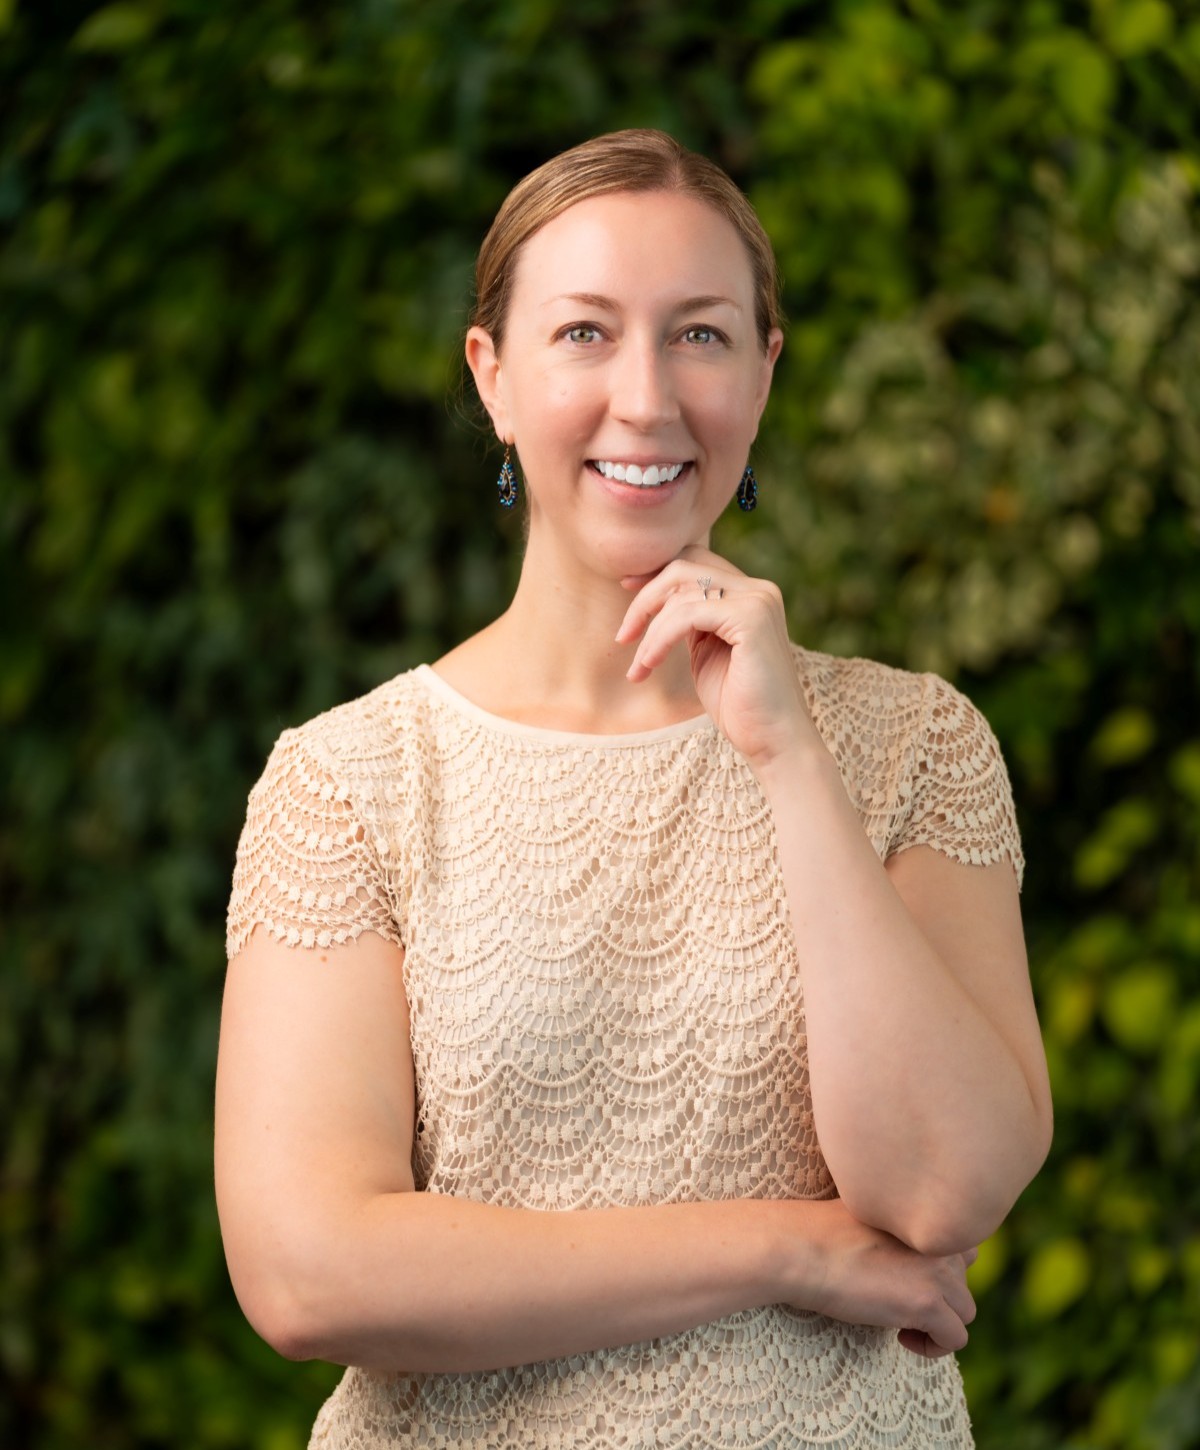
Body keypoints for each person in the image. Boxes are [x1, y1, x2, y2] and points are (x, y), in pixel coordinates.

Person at [216, 129, 1052, 1449]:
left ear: (766, 373)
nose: (648, 398)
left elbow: (945, 1186)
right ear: (492, 376)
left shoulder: (914, 743)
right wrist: (789, 1251)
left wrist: (790, 761)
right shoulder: (350, 783)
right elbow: (311, 1269)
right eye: (586, 334)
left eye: (704, 336)